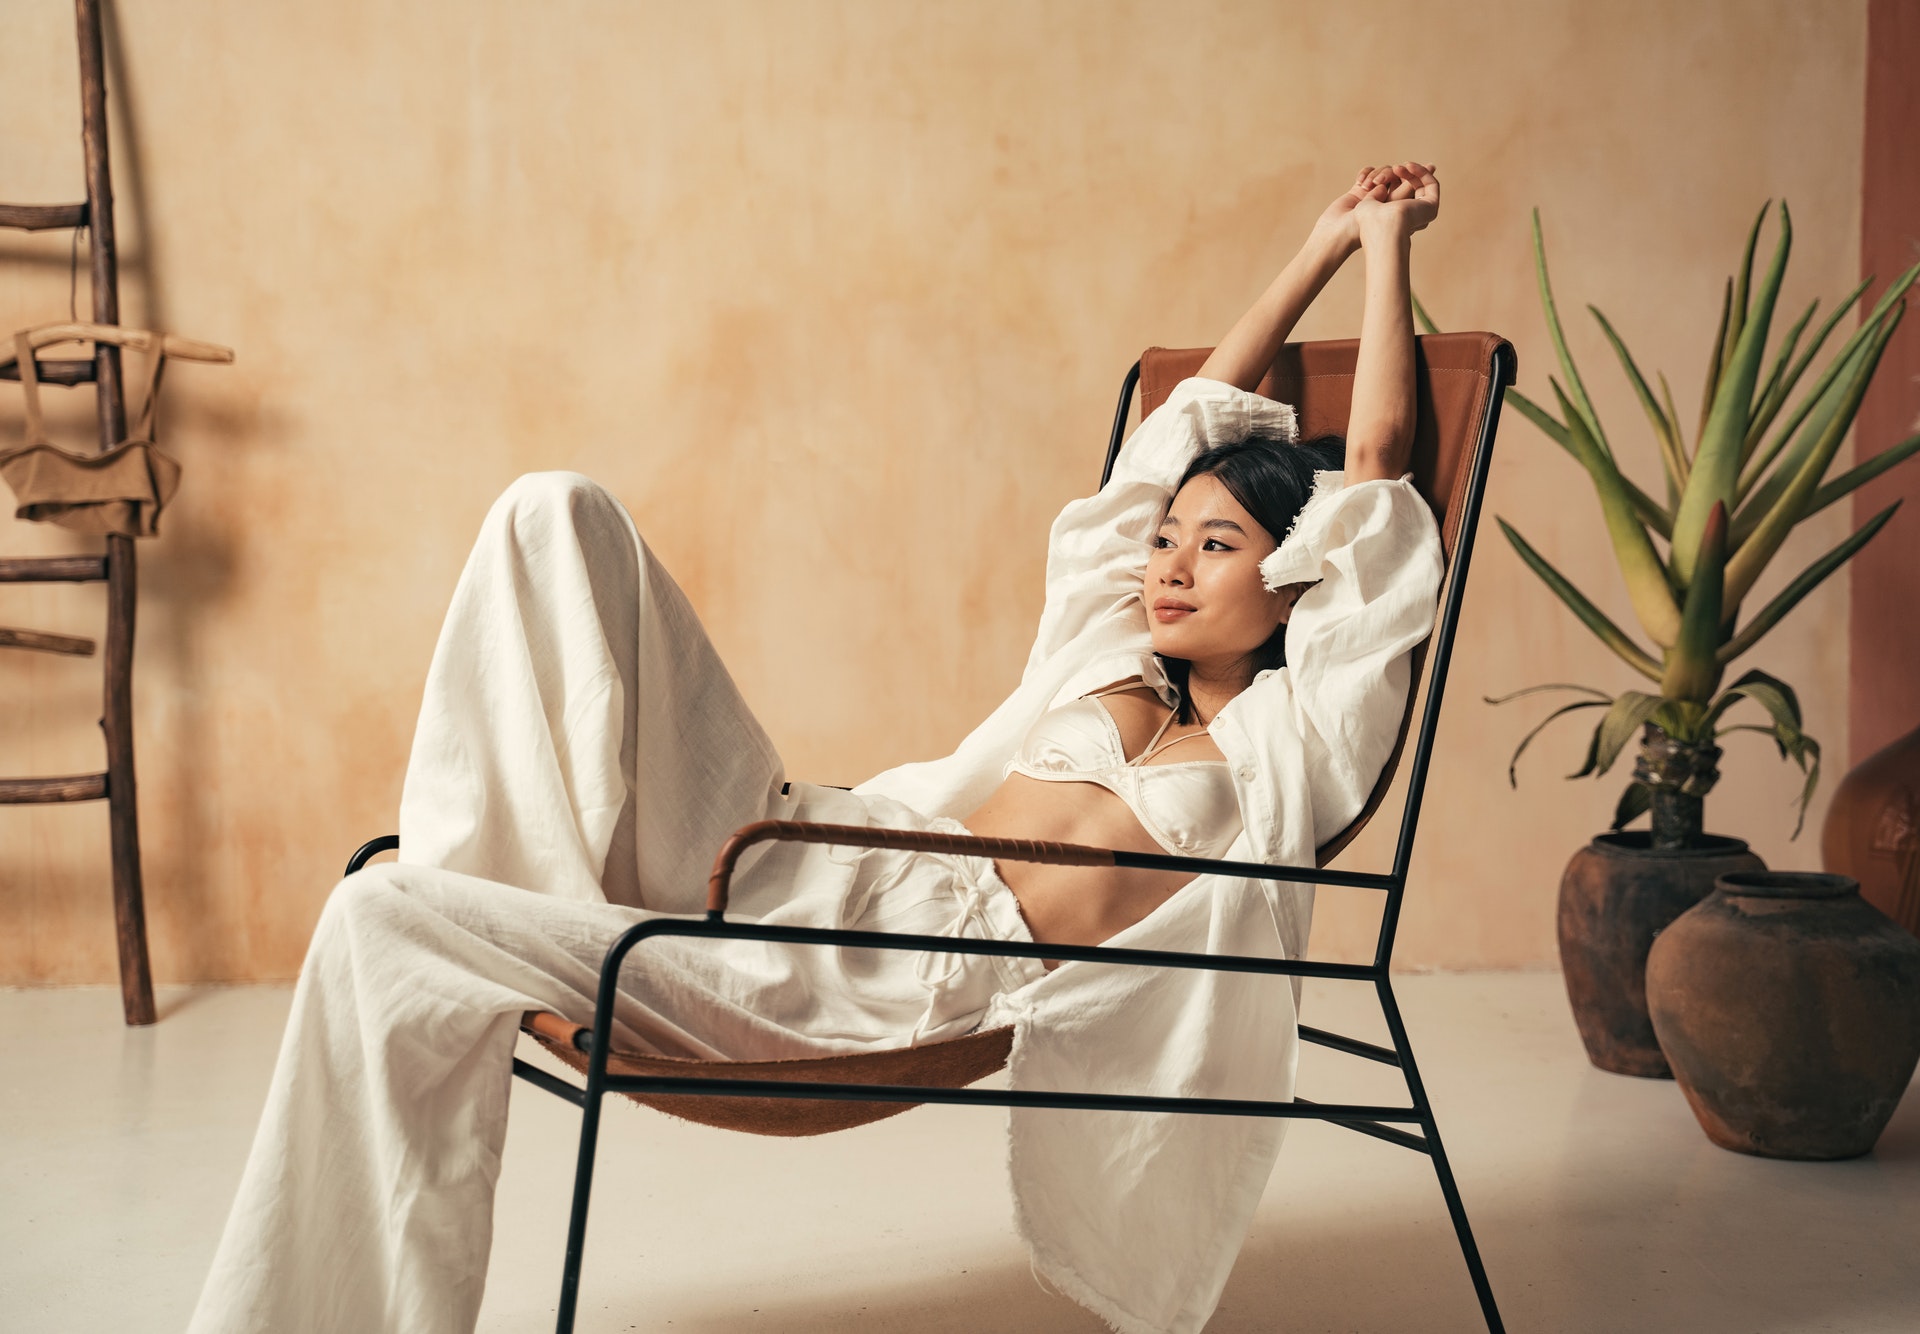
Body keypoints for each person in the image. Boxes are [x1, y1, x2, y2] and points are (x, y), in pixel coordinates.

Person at [189, 161, 1446, 1334]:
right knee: (552, 511)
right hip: (826, 842)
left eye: (1216, 546)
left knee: (381, 916)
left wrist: (1383, 246)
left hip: (896, 974)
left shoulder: (1293, 741)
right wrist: (1312, 245)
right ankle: (537, 901)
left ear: (1291, 579)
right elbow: (1168, 436)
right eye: (1167, 539)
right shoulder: (1102, 645)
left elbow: (1378, 478)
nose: (1168, 562)